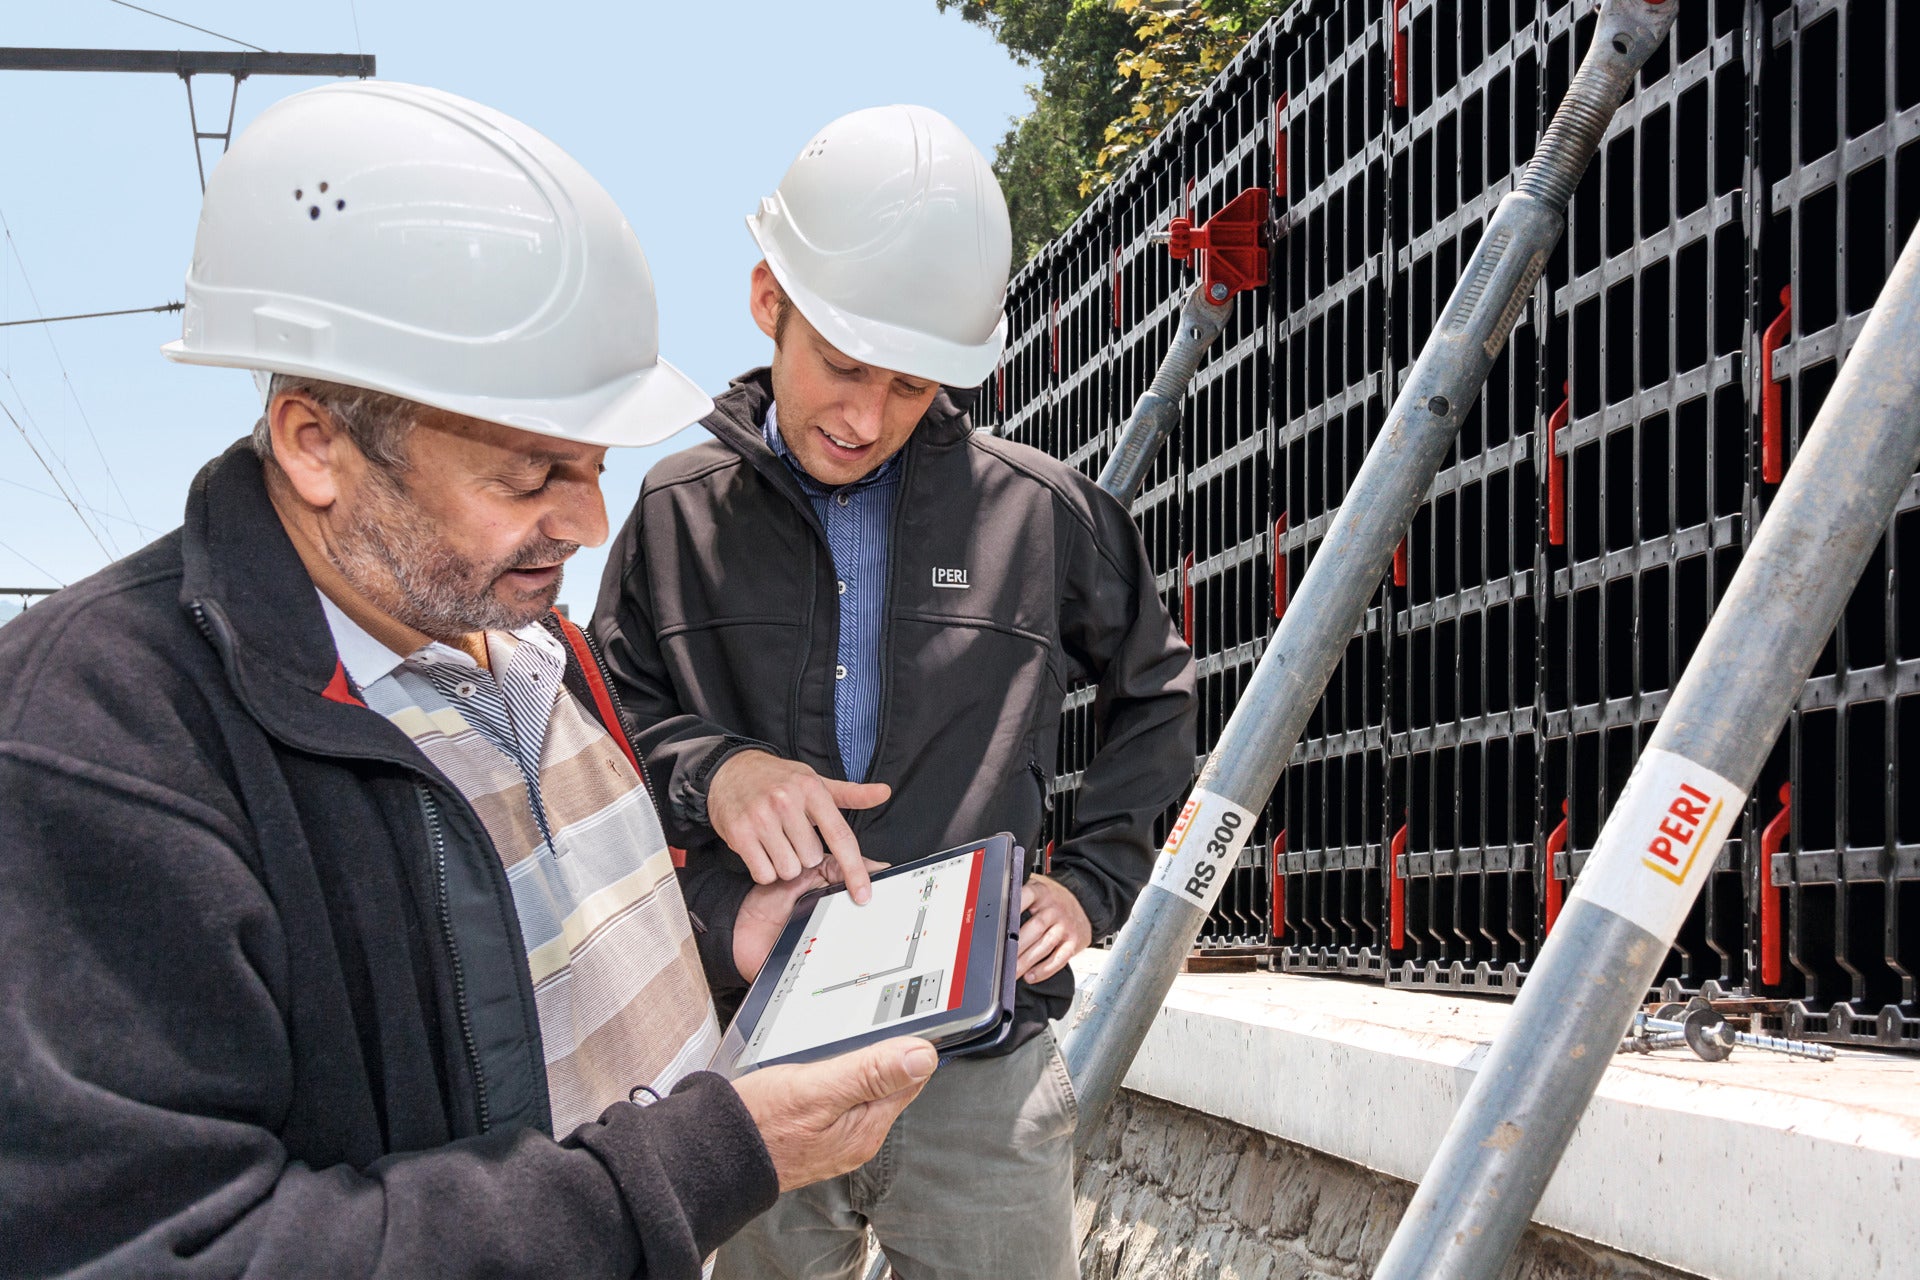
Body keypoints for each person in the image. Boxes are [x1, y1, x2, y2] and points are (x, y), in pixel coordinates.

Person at [0, 82, 936, 1280]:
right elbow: (168, 1248)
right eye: (529, 473)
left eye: (596, 466)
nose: (588, 522)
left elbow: (548, 953)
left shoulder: (539, 645)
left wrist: (724, 929)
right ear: (315, 443)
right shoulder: (104, 743)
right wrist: (696, 1160)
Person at [593, 104, 1198, 1279]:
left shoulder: (1044, 514)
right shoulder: (674, 513)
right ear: (770, 301)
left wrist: (1092, 881)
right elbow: (602, 738)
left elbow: (1158, 699)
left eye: (913, 387)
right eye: (845, 365)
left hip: (981, 1067)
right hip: (756, 1058)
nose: (866, 418)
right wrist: (718, 772)